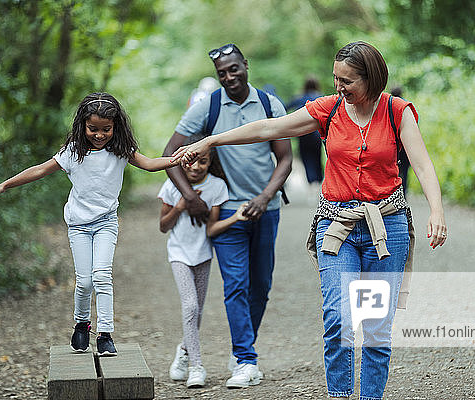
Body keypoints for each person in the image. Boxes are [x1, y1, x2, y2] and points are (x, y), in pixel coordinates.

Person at [175, 41, 447, 399]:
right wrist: (213, 140)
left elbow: (423, 165)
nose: (339, 87)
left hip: (387, 226)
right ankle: (339, 394)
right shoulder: (327, 109)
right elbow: (267, 129)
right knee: (338, 319)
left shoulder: (397, 112)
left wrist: (437, 211)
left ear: (371, 78)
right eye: (336, 78)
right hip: (337, 229)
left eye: (347, 81)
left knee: (376, 327)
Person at [0, 92, 182, 357]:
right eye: (93, 129)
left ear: (116, 127)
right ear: (83, 125)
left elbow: (151, 164)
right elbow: (41, 169)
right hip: (79, 226)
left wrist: (178, 158)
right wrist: (6, 184)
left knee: (102, 275)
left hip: (106, 223)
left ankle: (106, 334)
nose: (99, 135)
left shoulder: (122, 150)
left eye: (106, 129)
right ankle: (81, 323)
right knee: (85, 282)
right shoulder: (73, 153)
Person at [162, 43, 292, 388]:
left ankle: (227, 349)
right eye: (222, 73)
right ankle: (245, 360)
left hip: (267, 209)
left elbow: (285, 158)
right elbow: (169, 152)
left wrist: (266, 197)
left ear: (245, 65)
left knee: (260, 286)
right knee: (236, 285)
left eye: (234, 69)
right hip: (228, 211)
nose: (229, 77)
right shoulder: (210, 107)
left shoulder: (269, 104)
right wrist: (190, 197)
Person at [158, 134, 249, 388]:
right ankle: (196, 366)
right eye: (191, 162)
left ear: (210, 163)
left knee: (196, 311)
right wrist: (180, 206)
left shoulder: (217, 186)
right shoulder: (171, 186)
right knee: (189, 307)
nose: (196, 167)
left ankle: (183, 351)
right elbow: (163, 226)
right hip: (178, 254)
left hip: (203, 255)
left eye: (203, 162)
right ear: (183, 161)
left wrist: (236, 218)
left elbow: (211, 229)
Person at [286, 77, 324, 186]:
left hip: (303, 134)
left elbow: (285, 107)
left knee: (306, 158)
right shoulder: (320, 98)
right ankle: (318, 179)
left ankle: (311, 181)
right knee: (317, 156)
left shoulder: (299, 98)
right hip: (317, 135)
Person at [390, 86, 411, 196]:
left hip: (395, 147)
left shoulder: (387, 107)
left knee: (395, 171)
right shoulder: (407, 106)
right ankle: (404, 192)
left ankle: (396, 193)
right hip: (406, 146)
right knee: (405, 171)